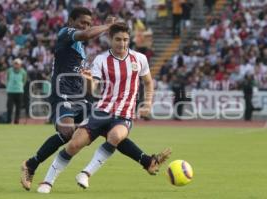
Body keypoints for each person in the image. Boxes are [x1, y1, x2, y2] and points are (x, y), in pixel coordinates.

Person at [21, 9, 171, 191]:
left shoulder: (82, 48)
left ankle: (147, 161)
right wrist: (109, 26)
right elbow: (86, 34)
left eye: (88, 23)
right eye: (82, 22)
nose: (85, 26)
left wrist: (90, 84)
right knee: (68, 132)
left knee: (109, 128)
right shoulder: (65, 33)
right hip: (63, 94)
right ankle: (31, 164)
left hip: (80, 95)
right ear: (71, 21)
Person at [6, 58, 27, 124]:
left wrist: (20, 86)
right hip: (11, 91)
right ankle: (8, 121)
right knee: (9, 107)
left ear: (20, 65)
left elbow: (24, 81)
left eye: (17, 64)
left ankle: (16, 121)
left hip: (19, 91)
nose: (16, 65)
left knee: (18, 108)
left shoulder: (23, 72)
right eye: (15, 64)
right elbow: (7, 78)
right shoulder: (9, 70)